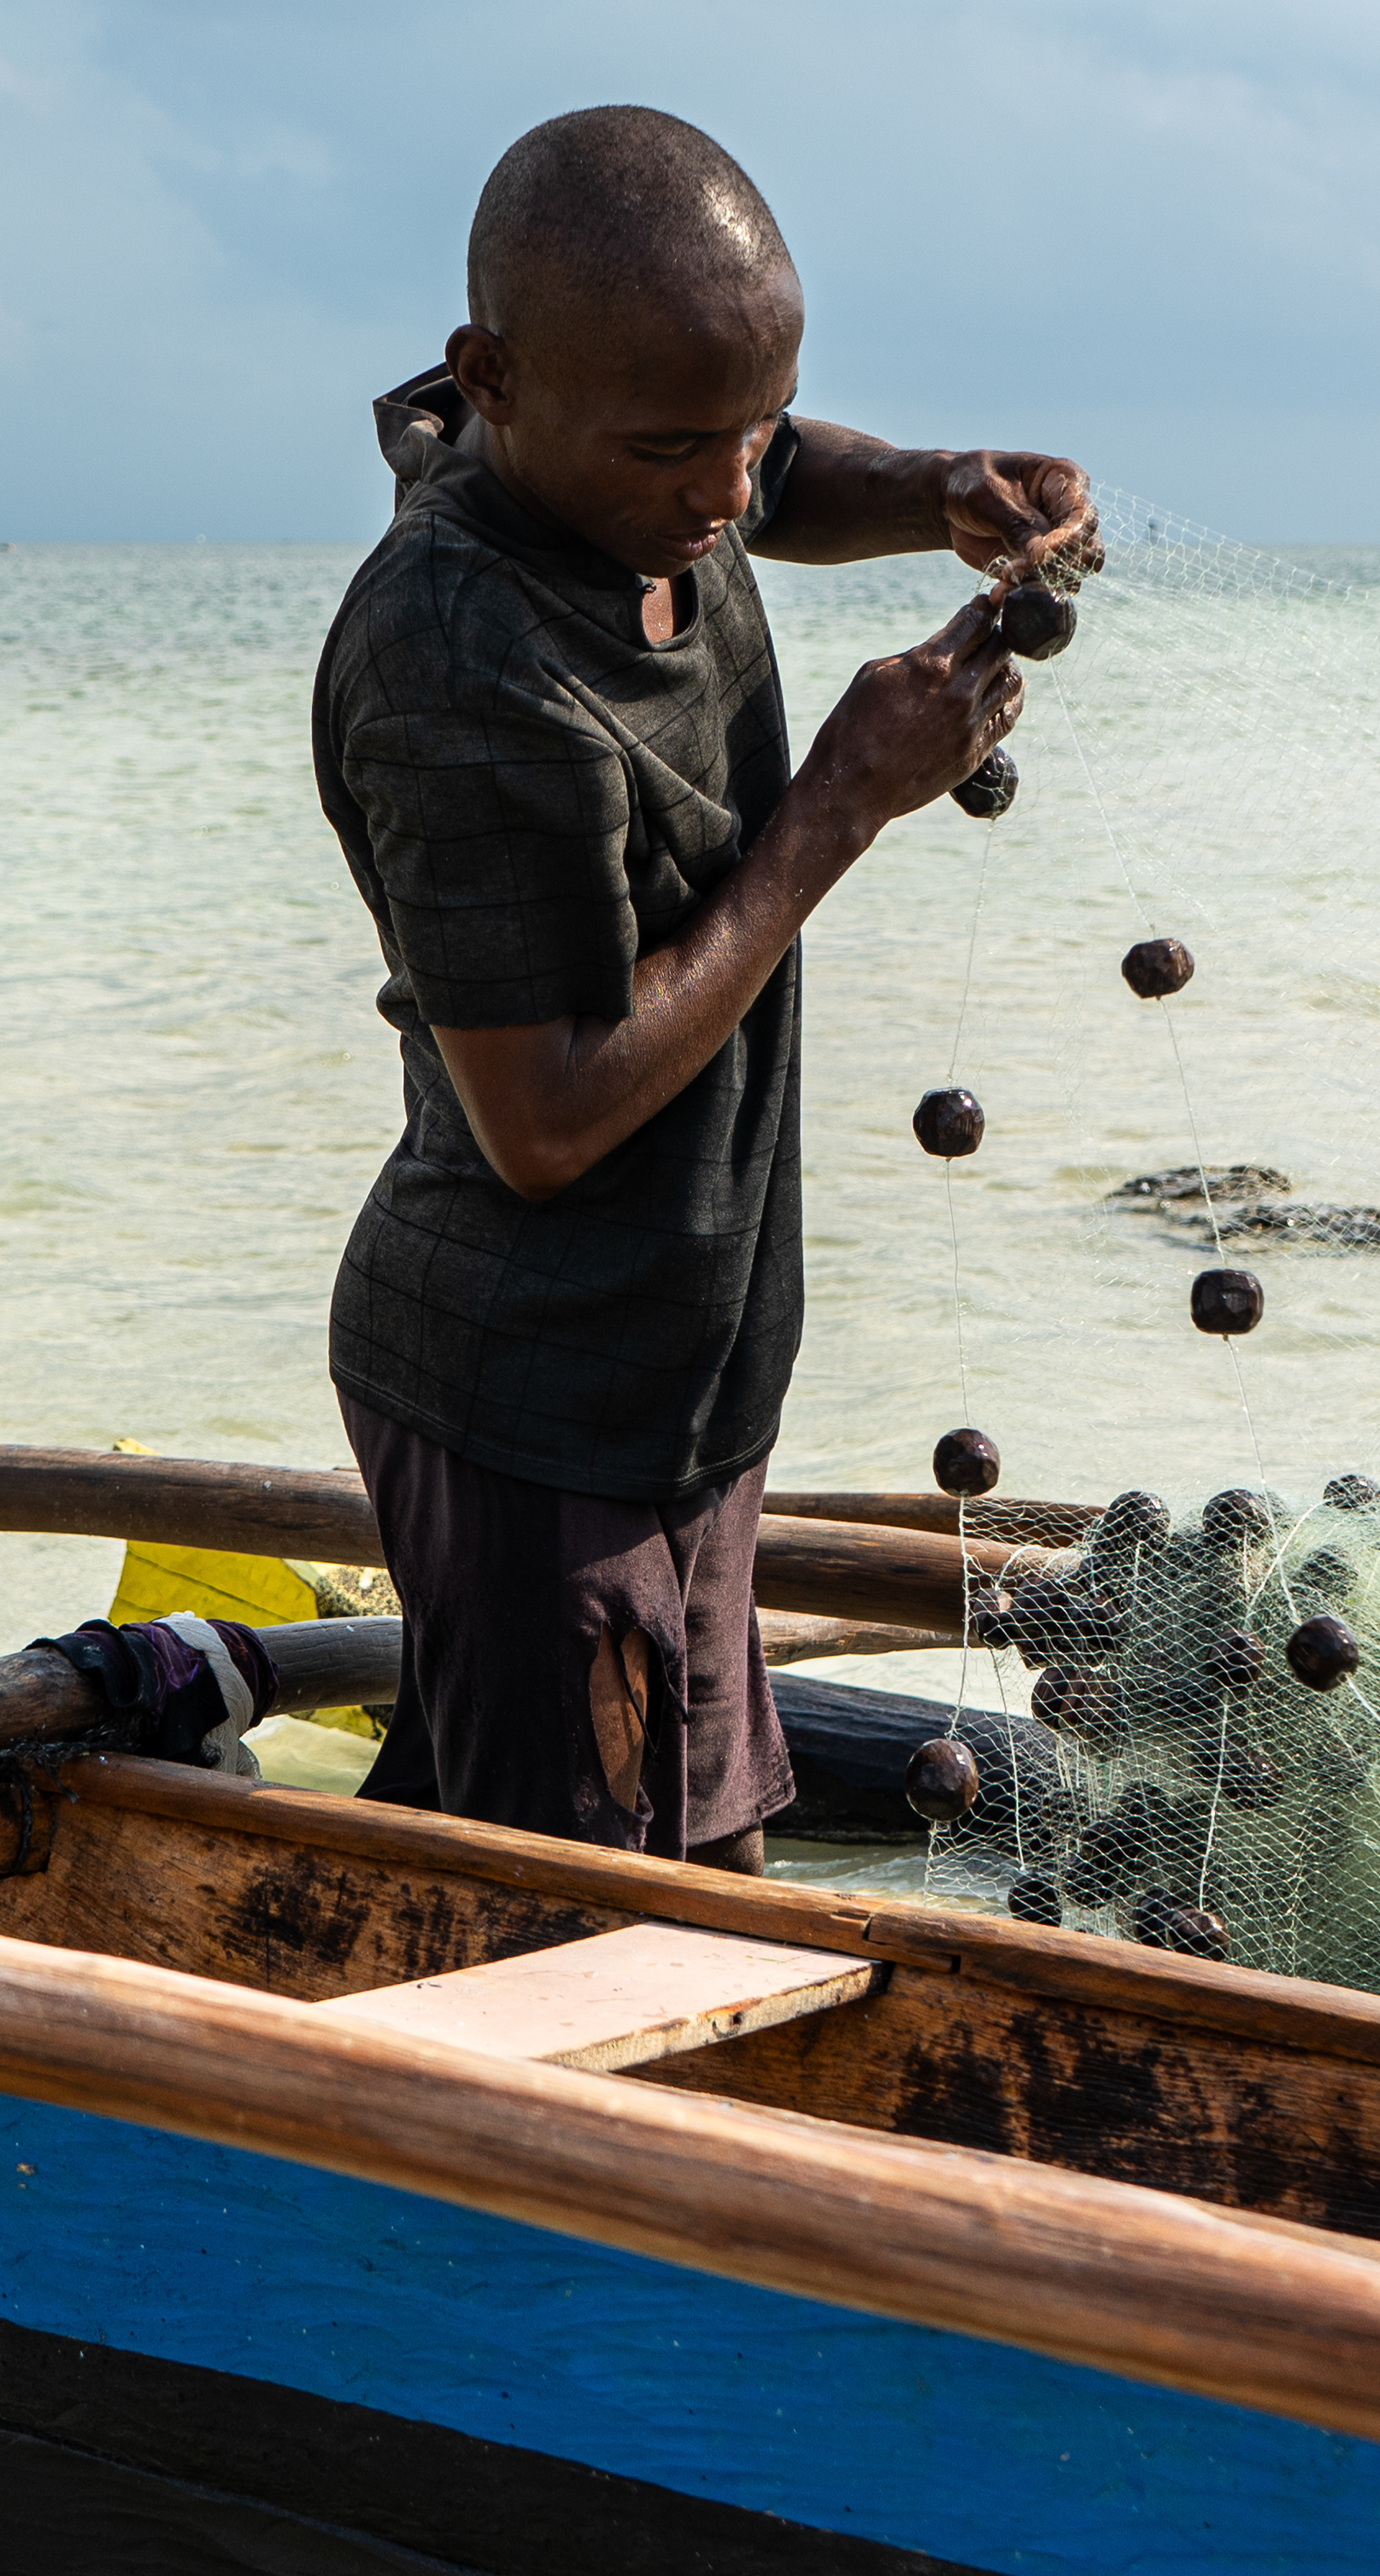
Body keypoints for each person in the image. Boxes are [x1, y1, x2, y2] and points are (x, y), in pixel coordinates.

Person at [312, 101, 1091, 1868]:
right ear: (489, 378)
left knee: (686, 1884)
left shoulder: (641, 481)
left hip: (684, 1390)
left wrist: (937, 491)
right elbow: (545, 1119)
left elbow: (783, 475)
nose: (728, 494)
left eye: (751, 427)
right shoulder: (464, 661)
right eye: (680, 449)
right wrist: (844, 802)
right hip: (535, 1409)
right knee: (576, 1934)